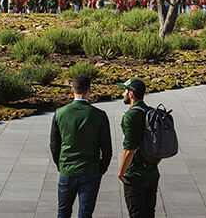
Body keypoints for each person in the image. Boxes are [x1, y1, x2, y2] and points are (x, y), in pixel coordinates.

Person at [49, 72, 112, 218]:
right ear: (89, 90)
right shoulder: (99, 115)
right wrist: (102, 168)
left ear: (72, 90)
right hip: (90, 170)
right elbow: (107, 149)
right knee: (85, 213)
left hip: (68, 169)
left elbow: (54, 145)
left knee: (63, 212)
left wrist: (61, 165)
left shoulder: (60, 113)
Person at [116, 78, 158, 218]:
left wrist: (121, 172)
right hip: (152, 174)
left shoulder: (130, 116)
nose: (123, 94)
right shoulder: (152, 113)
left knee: (136, 214)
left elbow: (129, 150)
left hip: (134, 176)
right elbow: (160, 144)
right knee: (149, 214)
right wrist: (153, 162)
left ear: (131, 94)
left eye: (125, 91)